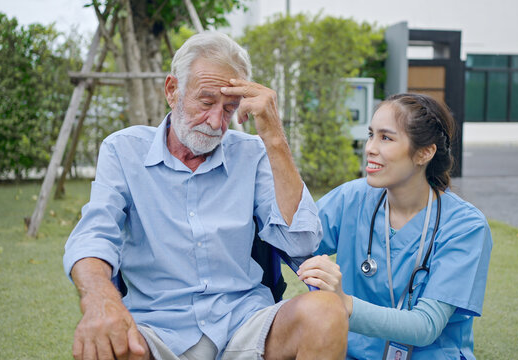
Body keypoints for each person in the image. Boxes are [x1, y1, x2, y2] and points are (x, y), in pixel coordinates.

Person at [63, 31, 348, 360]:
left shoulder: (253, 153)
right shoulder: (123, 149)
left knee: (326, 311)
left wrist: (274, 137)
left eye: (229, 108)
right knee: (103, 345)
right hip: (157, 330)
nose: (216, 122)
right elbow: (94, 234)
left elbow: (302, 245)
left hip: (245, 324)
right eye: (206, 102)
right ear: (173, 90)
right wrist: (100, 300)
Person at [297, 93, 492, 359]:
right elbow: (293, 240)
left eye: (386, 138)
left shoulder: (465, 226)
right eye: (371, 135)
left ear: (425, 152)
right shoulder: (352, 198)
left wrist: (344, 303)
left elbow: (426, 326)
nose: (370, 148)